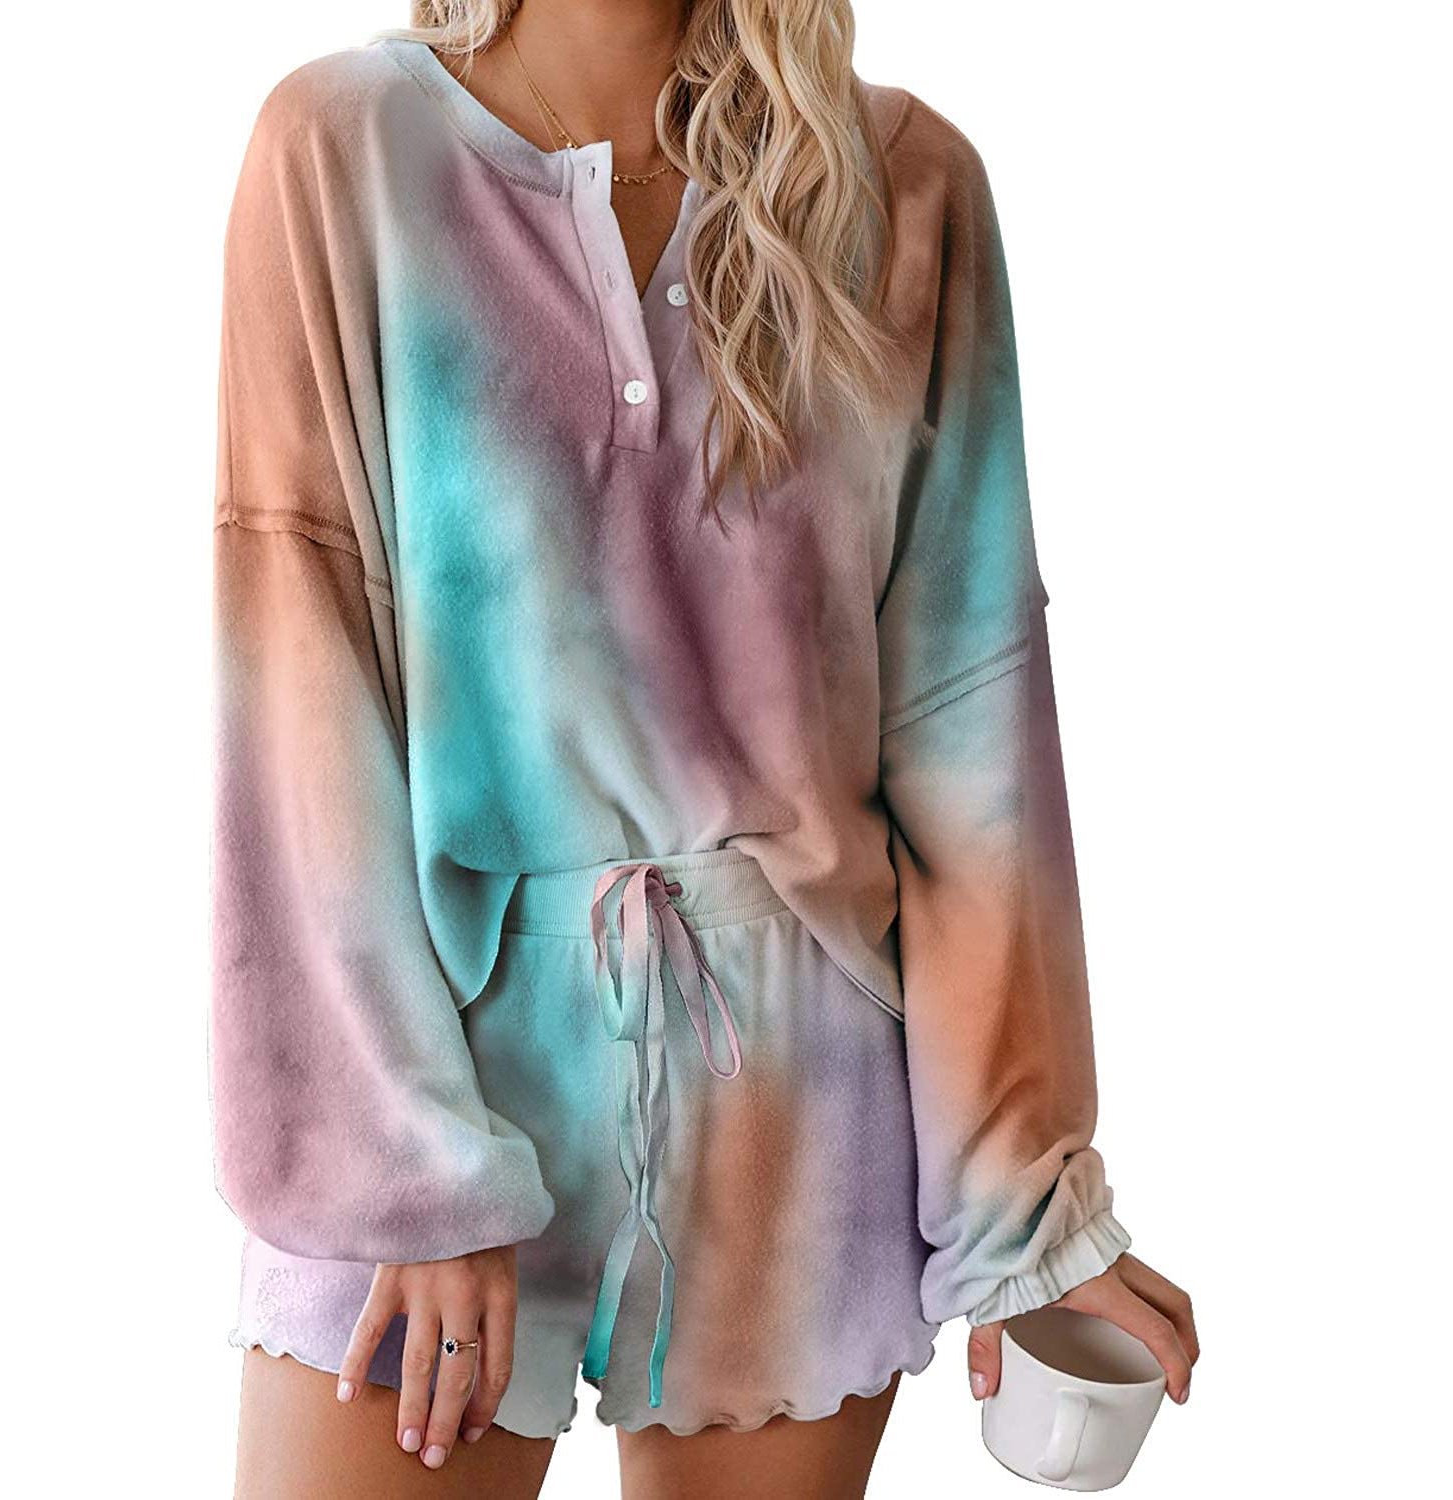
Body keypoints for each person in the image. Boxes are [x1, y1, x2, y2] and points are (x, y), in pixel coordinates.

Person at [209, 3, 1199, 1495]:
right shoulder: (346, 148)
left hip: (799, 1103)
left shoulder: (904, 184)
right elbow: (299, 685)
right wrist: (406, 1176)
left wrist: (1029, 1217)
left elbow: (969, 727)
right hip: (431, 1055)